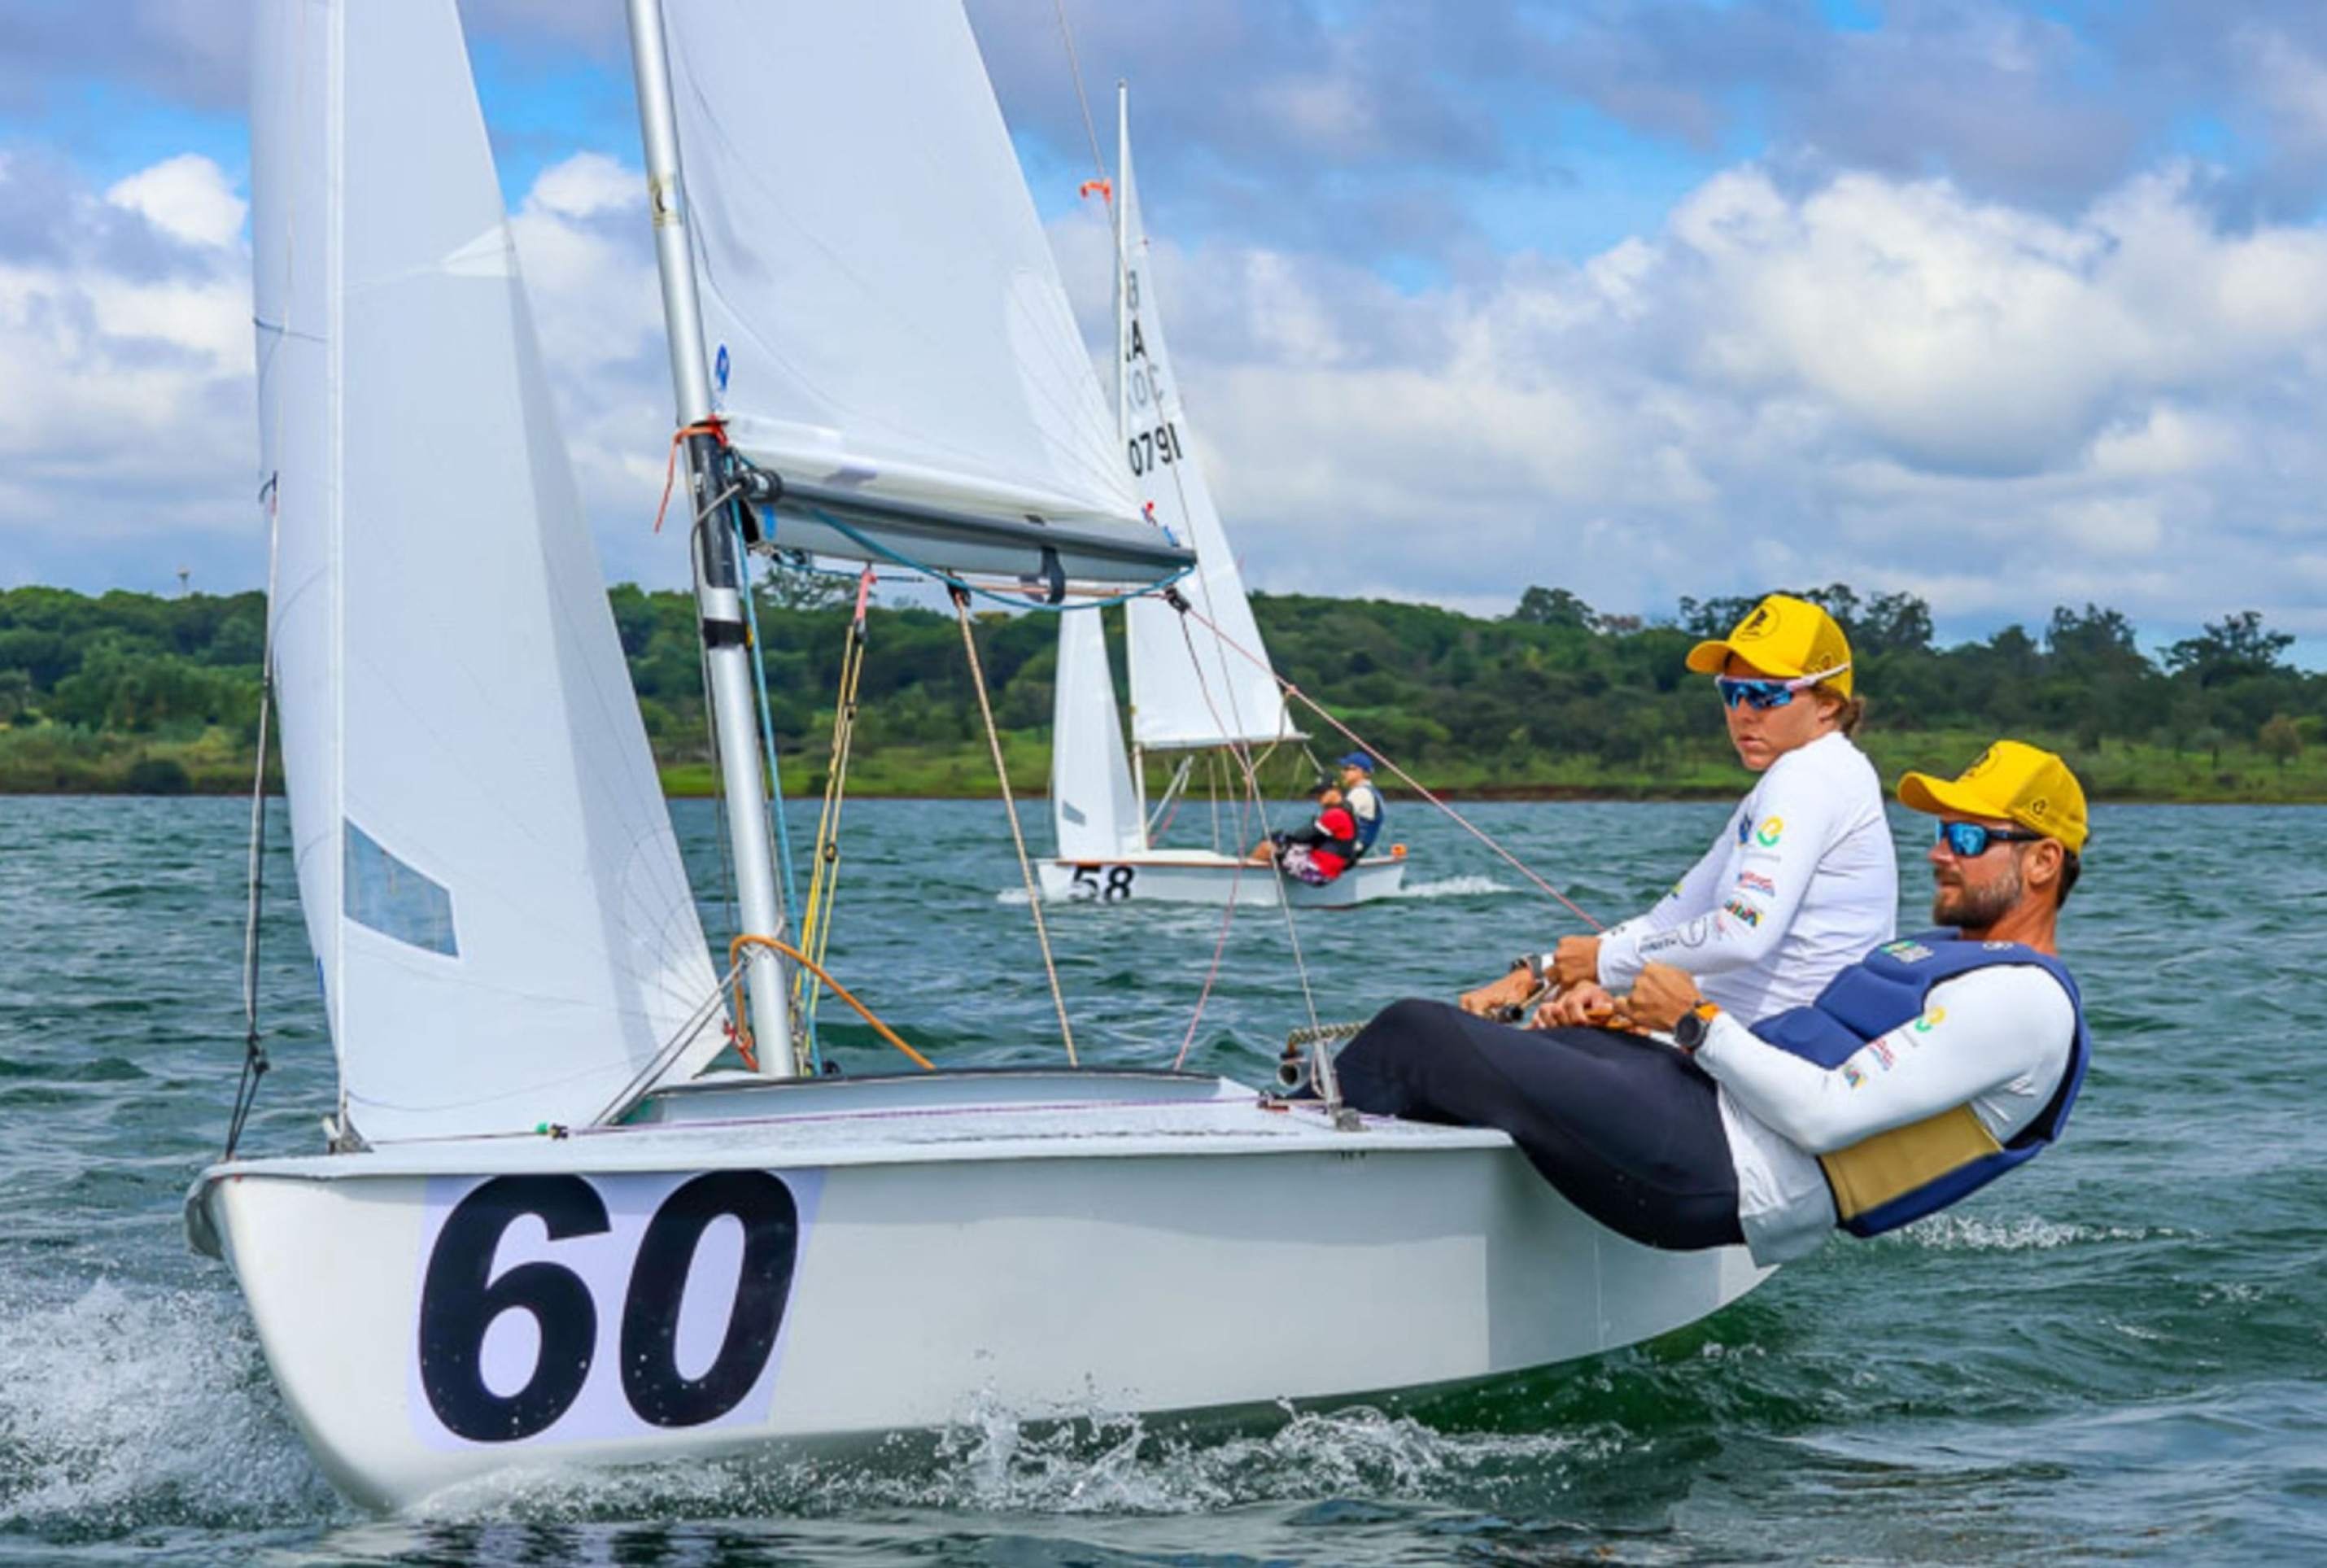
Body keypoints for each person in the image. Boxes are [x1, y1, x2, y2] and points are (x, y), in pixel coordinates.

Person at [1330, 740, 2091, 1266]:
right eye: (1938, 830)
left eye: (1966, 835)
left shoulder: (2027, 1005)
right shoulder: (1947, 957)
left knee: (1416, 1034)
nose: (1938, 850)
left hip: (1723, 1173)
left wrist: (1694, 1020)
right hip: (1702, 1107)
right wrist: (1633, 1017)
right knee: (1494, 1036)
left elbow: (1826, 1114)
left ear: (2043, 861)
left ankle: (1294, 1154)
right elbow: (1798, 1046)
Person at [1461, 592, 1894, 1029]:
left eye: (1765, 695)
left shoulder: (1809, 777)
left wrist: (1604, 963)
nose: (1742, 714)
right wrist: (1541, 973)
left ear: (1828, 703)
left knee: (1417, 1029)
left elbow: (1742, 933)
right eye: (1731, 692)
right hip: (1725, 1043)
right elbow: (1669, 920)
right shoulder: (1797, 778)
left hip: (1774, 1059)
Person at [1251, 780, 1358, 885]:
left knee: (1266, 848)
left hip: (1319, 872)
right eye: (1317, 793)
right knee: (1280, 847)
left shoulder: (1336, 814)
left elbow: (1302, 837)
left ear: (1336, 791)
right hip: (1329, 871)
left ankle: (1250, 880)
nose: (1318, 796)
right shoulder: (1347, 813)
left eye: (1322, 792)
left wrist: (1278, 838)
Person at [1337, 753, 1386, 859]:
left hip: (1350, 851)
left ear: (1361, 772)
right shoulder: (1371, 791)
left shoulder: (1360, 793)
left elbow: (1336, 820)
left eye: (1347, 769)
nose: (1342, 772)